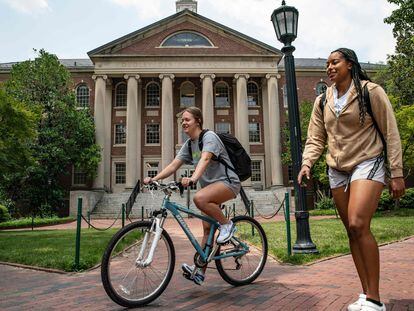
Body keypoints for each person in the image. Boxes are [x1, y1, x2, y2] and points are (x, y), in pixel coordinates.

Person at [298, 48, 405, 311]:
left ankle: (375, 299)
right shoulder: (322, 100)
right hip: (337, 168)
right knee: (352, 232)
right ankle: (366, 293)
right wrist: (306, 163)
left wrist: (397, 172)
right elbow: (316, 138)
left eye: (335, 62)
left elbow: (390, 131)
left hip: (368, 160)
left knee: (358, 224)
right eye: (327, 64)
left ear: (350, 64)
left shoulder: (371, 91)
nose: (329, 67)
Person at [143, 106, 240, 286]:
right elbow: (173, 165)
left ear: (198, 121)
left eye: (187, 120)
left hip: (228, 183)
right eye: (182, 121)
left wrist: (194, 178)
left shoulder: (209, 137)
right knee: (206, 230)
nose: (183, 123)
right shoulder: (189, 144)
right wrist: (153, 179)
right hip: (211, 187)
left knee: (199, 198)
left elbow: (205, 159)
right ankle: (200, 272)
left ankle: (227, 225)